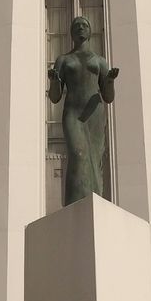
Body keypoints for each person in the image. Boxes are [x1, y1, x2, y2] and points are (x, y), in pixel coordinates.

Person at [47, 15, 118, 206]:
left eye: (84, 25)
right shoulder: (63, 60)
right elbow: (54, 97)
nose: (80, 27)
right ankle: (74, 204)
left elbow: (109, 97)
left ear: (90, 31)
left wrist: (109, 81)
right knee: (78, 156)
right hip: (73, 114)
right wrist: (54, 81)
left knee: (95, 159)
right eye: (76, 25)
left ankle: (94, 203)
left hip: (94, 113)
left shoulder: (100, 61)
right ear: (71, 33)